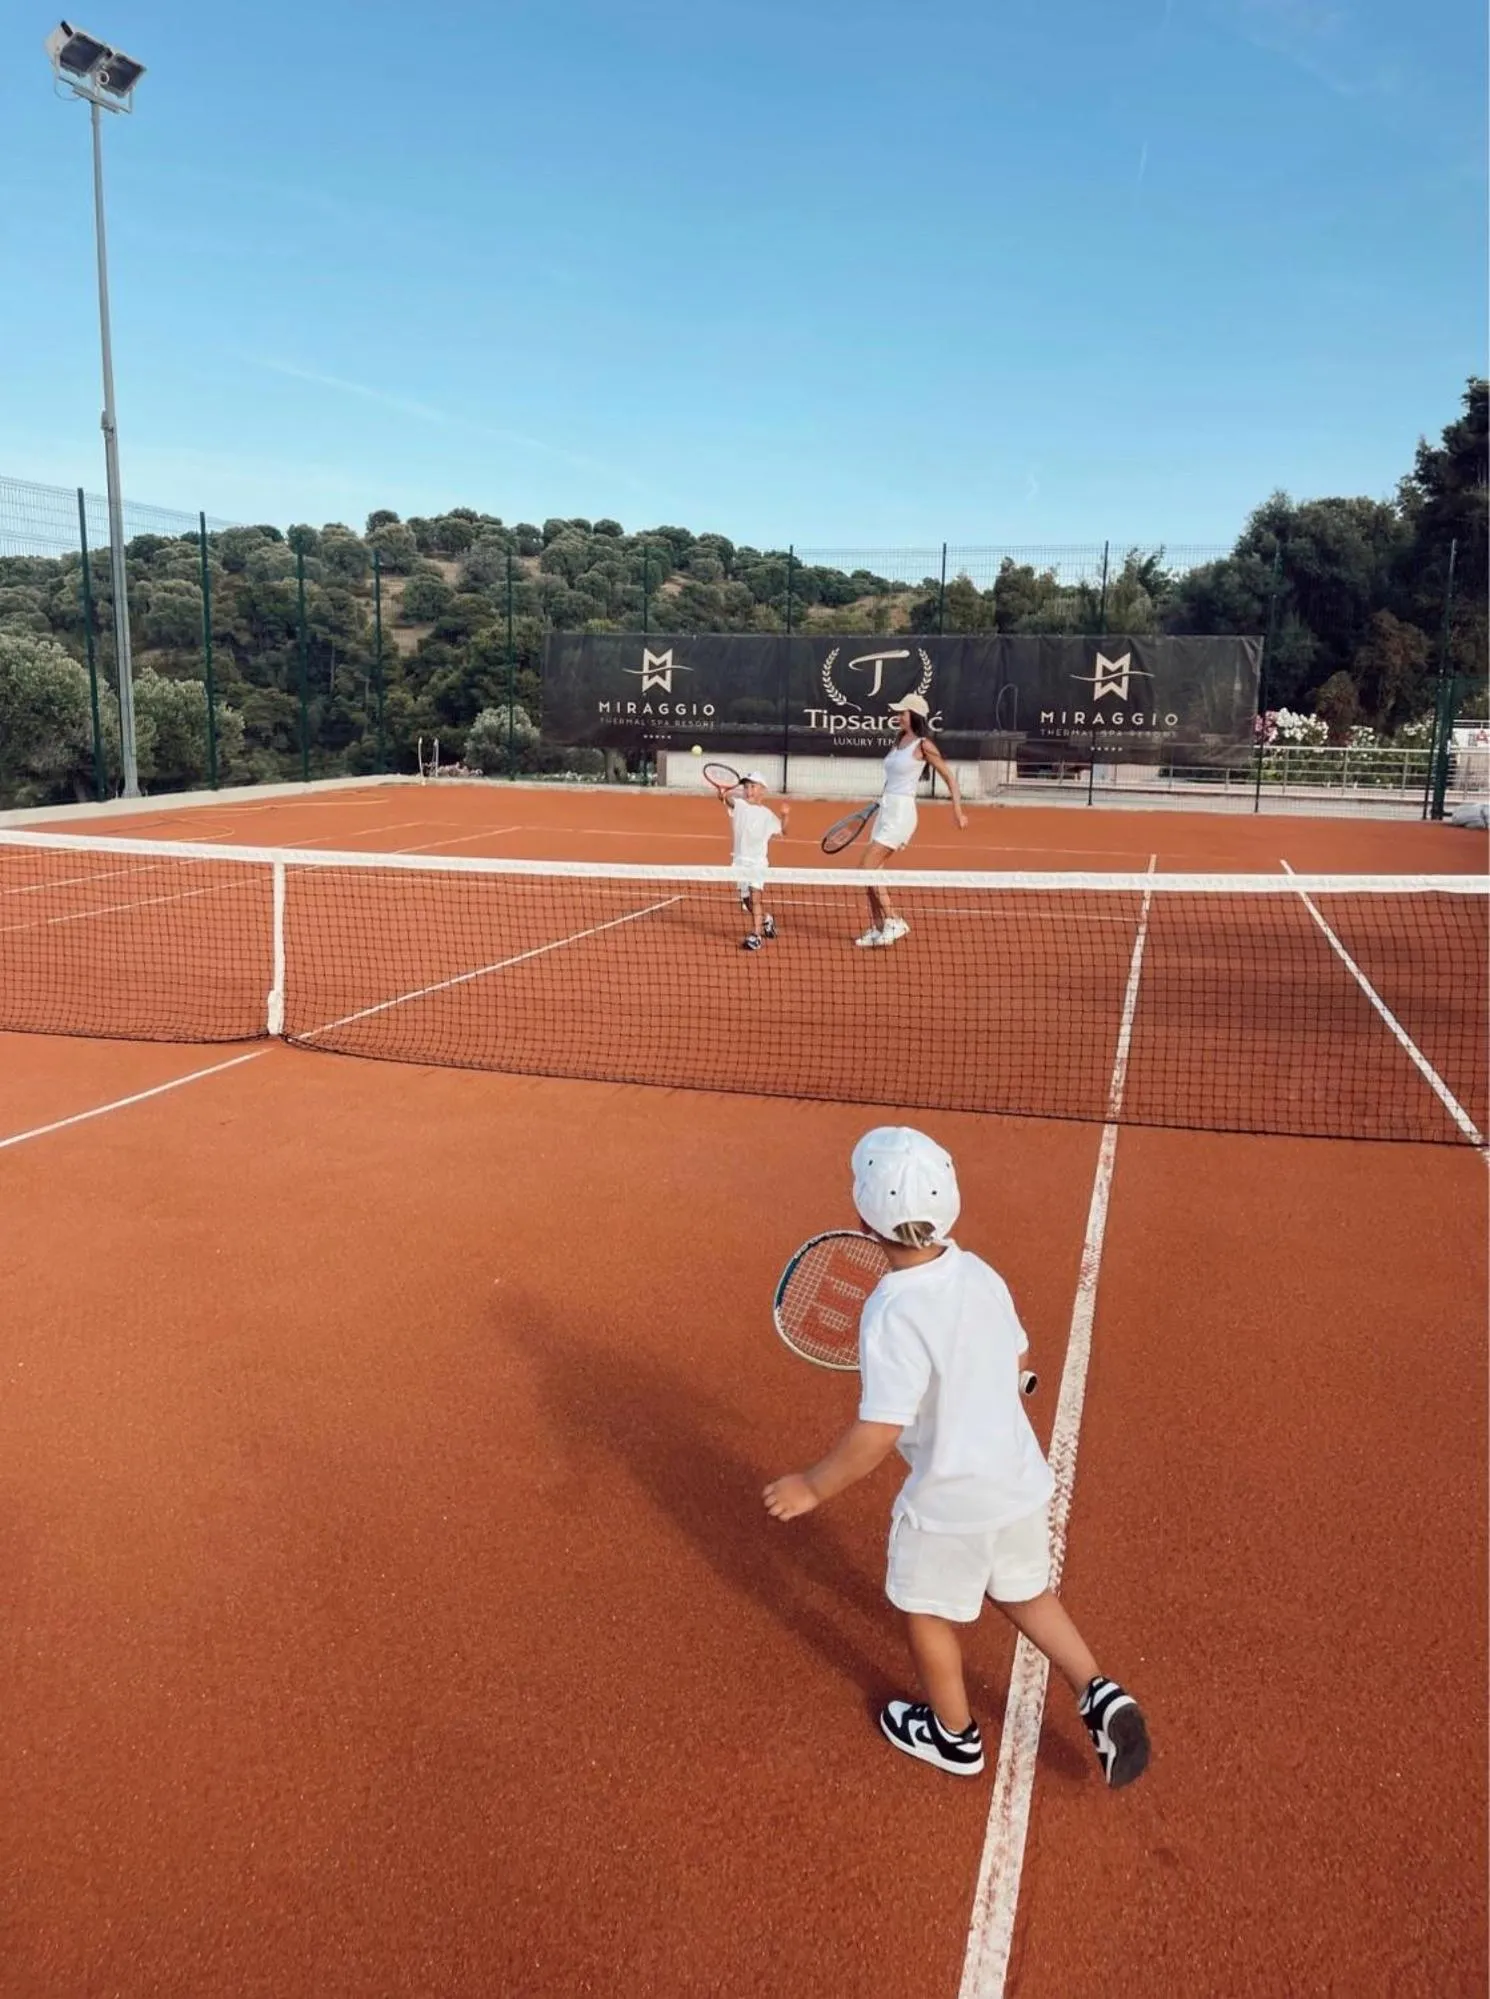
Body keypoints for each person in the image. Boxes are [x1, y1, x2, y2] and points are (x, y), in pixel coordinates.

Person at [762, 1127, 1150, 1788]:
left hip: (949, 1500)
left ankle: (953, 1734)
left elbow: (881, 1429)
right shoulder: (979, 1272)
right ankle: (1098, 1689)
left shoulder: (890, 1310)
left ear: (862, 1218)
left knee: (924, 1610)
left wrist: (812, 1485)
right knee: (1025, 1591)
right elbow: (1017, 1359)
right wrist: (1010, 1383)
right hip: (1018, 1482)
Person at [857, 695, 968, 949]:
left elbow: (948, 776)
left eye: (903, 713)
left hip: (902, 813)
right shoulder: (898, 740)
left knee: (866, 867)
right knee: (870, 873)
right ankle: (877, 927)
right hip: (886, 808)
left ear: (914, 716)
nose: (898, 716)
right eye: (898, 712)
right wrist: (879, 801)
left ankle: (894, 920)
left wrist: (958, 811)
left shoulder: (923, 744)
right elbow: (892, 779)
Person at [718, 770, 789, 951]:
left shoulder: (767, 814)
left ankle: (756, 936)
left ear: (762, 790)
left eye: (752, 786)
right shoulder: (740, 805)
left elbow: (783, 830)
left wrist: (785, 816)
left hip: (758, 863)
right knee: (748, 902)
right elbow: (728, 800)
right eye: (746, 786)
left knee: (755, 897)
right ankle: (766, 920)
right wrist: (723, 795)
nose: (748, 790)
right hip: (740, 862)